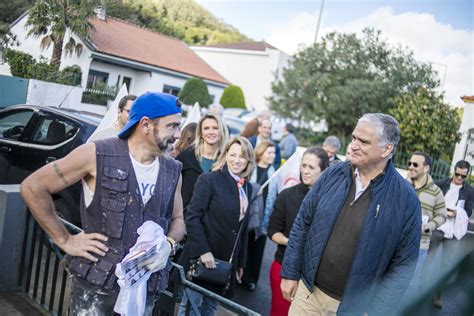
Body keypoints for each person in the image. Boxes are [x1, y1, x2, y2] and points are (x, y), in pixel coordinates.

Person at [20, 91, 185, 315]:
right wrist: (65, 239)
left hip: (144, 289)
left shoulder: (173, 170)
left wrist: (168, 245)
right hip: (96, 287)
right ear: (146, 124)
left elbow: (178, 220)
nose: (177, 135)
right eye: (172, 126)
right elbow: (33, 187)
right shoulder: (97, 154)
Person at [280, 113, 421, 315]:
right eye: (354, 138)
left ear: (387, 149)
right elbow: (303, 223)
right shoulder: (332, 174)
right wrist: (290, 273)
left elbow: (403, 266)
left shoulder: (406, 200)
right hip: (308, 295)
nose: (353, 145)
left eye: (363, 141)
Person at [178, 136, 255, 316]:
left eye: (242, 156)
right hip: (202, 257)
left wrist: (240, 262)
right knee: (191, 308)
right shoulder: (209, 179)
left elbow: (242, 230)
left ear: (249, 160)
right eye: (233, 154)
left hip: (225, 262)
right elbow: (192, 217)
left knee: (210, 308)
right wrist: (203, 251)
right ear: (225, 154)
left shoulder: (248, 188)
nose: (237, 160)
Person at [267, 146, 329, 316]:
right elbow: (272, 230)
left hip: (314, 277)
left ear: (323, 171)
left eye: (311, 167)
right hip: (283, 267)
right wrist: (293, 242)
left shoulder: (330, 201)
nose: (305, 171)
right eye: (303, 166)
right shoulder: (286, 195)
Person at [430, 160, 473, 308]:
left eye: (463, 176)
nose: (459, 178)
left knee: (445, 265)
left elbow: (468, 211)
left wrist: (457, 212)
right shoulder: (441, 183)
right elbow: (431, 199)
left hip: (454, 231)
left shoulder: (469, 191)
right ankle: (419, 292)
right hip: (437, 227)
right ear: (453, 171)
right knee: (426, 260)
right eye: (457, 174)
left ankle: (437, 295)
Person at [176, 113, 229, 210]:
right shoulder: (186, 157)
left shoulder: (227, 162)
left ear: (222, 131)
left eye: (215, 128)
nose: (211, 132)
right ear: (200, 132)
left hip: (212, 222)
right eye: (206, 128)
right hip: (185, 219)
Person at [242, 140, 276, 291]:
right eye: (270, 152)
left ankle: (250, 279)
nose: (273, 156)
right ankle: (238, 274)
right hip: (248, 215)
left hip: (263, 218)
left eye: (274, 153)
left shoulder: (274, 173)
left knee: (257, 251)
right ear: (261, 153)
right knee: (244, 247)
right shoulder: (250, 169)